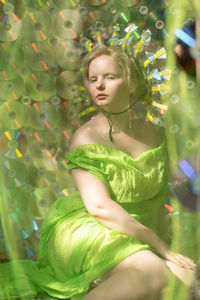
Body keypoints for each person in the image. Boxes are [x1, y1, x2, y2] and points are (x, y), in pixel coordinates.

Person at [0, 45, 196, 300]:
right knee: (151, 272)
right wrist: (161, 248)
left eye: (110, 77)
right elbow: (100, 208)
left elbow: (157, 200)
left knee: (183, 278)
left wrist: (163, 247)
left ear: (132, 84)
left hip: (130, 232)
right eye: (93, 80)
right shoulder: (86, 136)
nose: (99, 86)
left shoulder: (153, 132)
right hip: (88, 227)